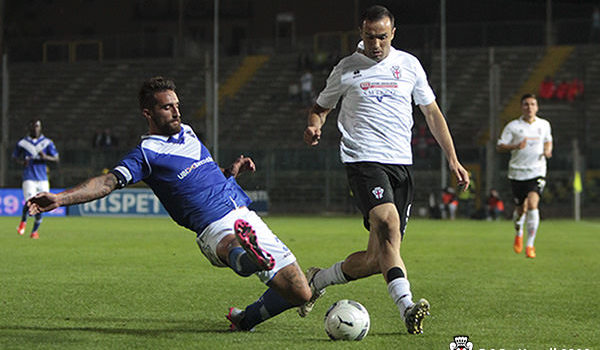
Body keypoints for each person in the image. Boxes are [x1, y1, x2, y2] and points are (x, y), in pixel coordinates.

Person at [27, 77, 312, 331]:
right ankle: (249, 254)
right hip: (212, 227)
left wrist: (232, 171)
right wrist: (60, 198)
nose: (176, 111)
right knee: (233, 247)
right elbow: (107, 182)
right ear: (147, 113)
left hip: (243, 212)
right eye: (167, 107)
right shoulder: (146, 154)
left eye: (177, 105)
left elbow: (204, 178)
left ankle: (245, 318)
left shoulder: (188, 132)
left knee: (301, 294)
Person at [301, 5, 470, 335]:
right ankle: (407, 309)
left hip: (401, 165)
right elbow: (319, 109)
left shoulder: (409, 65)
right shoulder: (346, 68)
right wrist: (313, 126)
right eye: (368, 37)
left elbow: (432, 113)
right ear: (360, 35)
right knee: (387, 222)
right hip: (363, 160)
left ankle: (317, 279)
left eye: (381, 37)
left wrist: (452, 157)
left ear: (393, 33)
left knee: (378, 257)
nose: (375, 43)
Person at [497, 93, 552, 259]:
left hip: (537, 171)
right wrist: (515, 146)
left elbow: (548, 140)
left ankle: (530, 245)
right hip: (517, 172)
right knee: (521, 210)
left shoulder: (544, 125)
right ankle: (519, 230)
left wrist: (548, 150)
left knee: (533, 204)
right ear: (522, 107)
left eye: (533, 104)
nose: (530, 107)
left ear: (537, 106)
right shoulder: (513, 126)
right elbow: (499, 146)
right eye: (526, 104)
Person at [12, 119, 60, 239]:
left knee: (41, 204)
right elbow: (14, 157)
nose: (36, 128)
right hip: (29, 177)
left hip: (43, 178)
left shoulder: (47, 142)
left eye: (37, 126)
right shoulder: (23, 143)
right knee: (30, 202)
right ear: (29, 128)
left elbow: (56, 158)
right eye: (33, 126)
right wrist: (22, 162)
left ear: (41, 127)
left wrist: (46, 157)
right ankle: (23, 221)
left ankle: (34, 232)